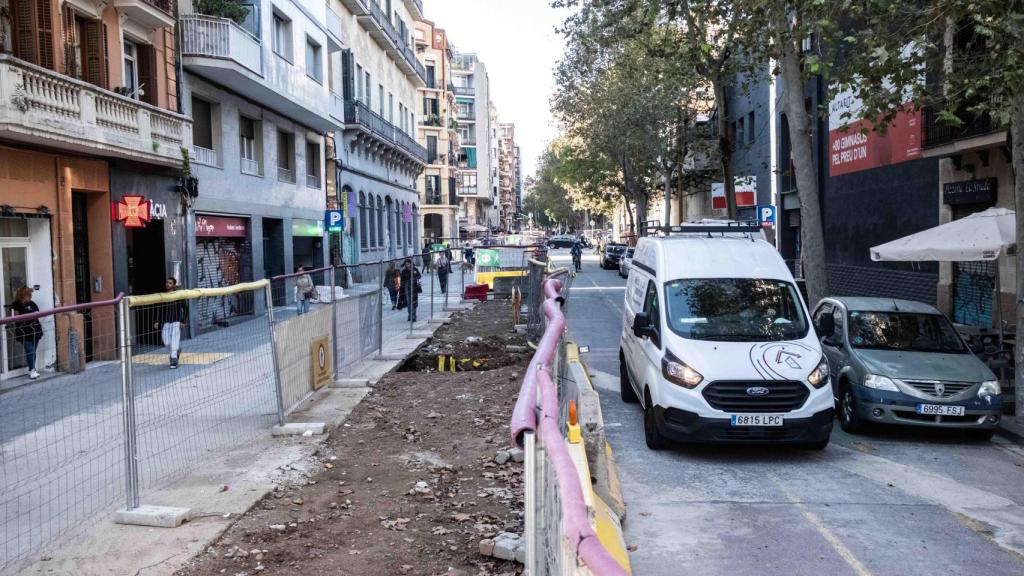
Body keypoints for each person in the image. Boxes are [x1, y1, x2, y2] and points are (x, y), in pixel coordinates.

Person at [10, 286, 43, 379]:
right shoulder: (16, 305)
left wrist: (33, 315)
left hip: (35, 330)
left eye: (30, 294)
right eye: (28, 294)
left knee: (33, 351)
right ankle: (32, 370)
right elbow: (16, 317)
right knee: (30, 351)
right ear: (22, 295)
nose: (30, 296)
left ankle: (32, 369)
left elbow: (37, 312)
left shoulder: (32, 303)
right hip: (24, 332)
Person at [159, 277, 187, 369]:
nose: (167, 284)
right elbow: (160, 309)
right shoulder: (163, 295)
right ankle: (177, 349)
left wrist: (183, 321)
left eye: (170, 283)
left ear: (174, 285)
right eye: (167, 282)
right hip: (166, 321)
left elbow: (185, 308)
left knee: (174, 340)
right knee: (166, 341)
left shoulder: (178, 295)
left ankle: (173, 360)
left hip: (176, 321)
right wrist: (158, 322)